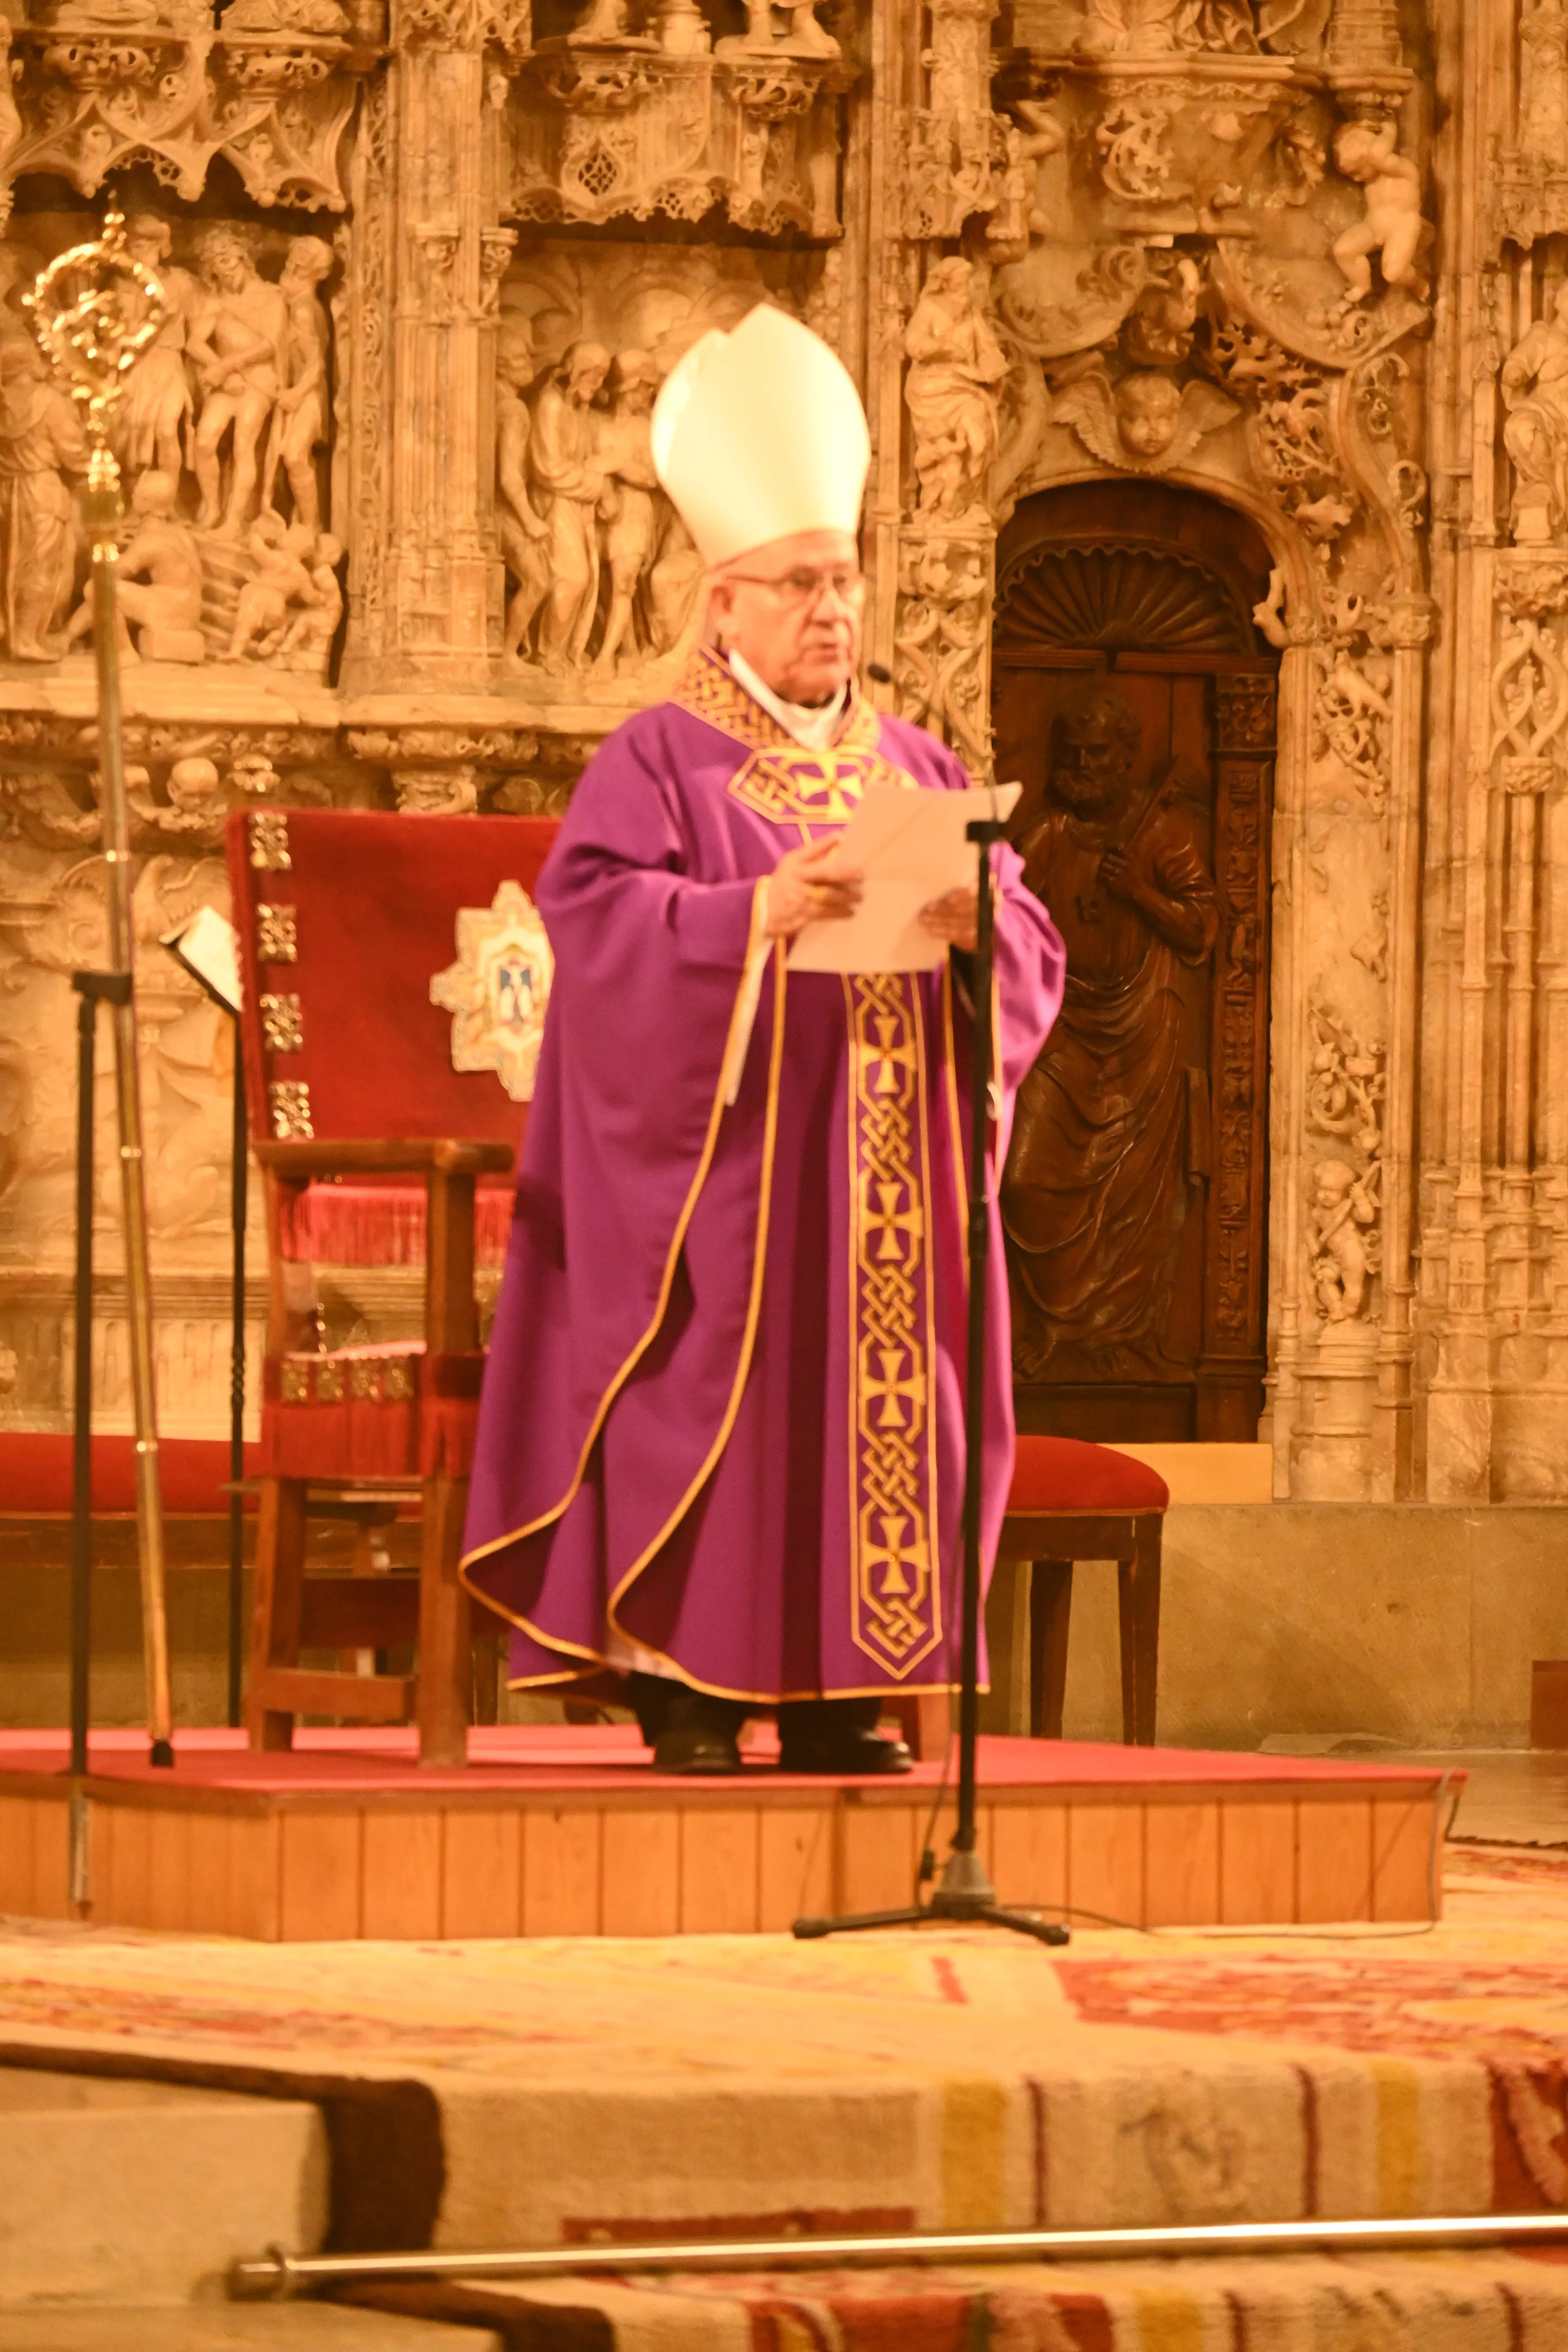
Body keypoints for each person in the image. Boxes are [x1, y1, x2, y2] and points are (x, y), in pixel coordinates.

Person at [462, 305, 1066, 1775]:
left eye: (844, 580)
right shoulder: (657, 755)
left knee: (876, 1409)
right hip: (723, 1179)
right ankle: (686, 1683)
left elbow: (1033, 944)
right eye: (798, 583)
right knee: (718, 1386)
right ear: (721, 602)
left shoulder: (918, 763)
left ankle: (837, 1691)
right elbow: (591, 930)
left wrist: (989, 931)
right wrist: (753, 912)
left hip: (889, 1183)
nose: (830, 611)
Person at [1002, 687, 1217, 1380]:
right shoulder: (1048, 835)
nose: (1085, 766)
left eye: (1100, 754)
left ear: (1127, 759)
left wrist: (1141, 894)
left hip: (1143, 1029)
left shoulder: (1165, 831)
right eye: (1075, 754)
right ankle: (1050, 1330)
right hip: (1061, 1024)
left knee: (1132, 1195)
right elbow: (1003, 913)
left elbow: (1203, 929)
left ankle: (1112, 1342)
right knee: (1024, 1177)